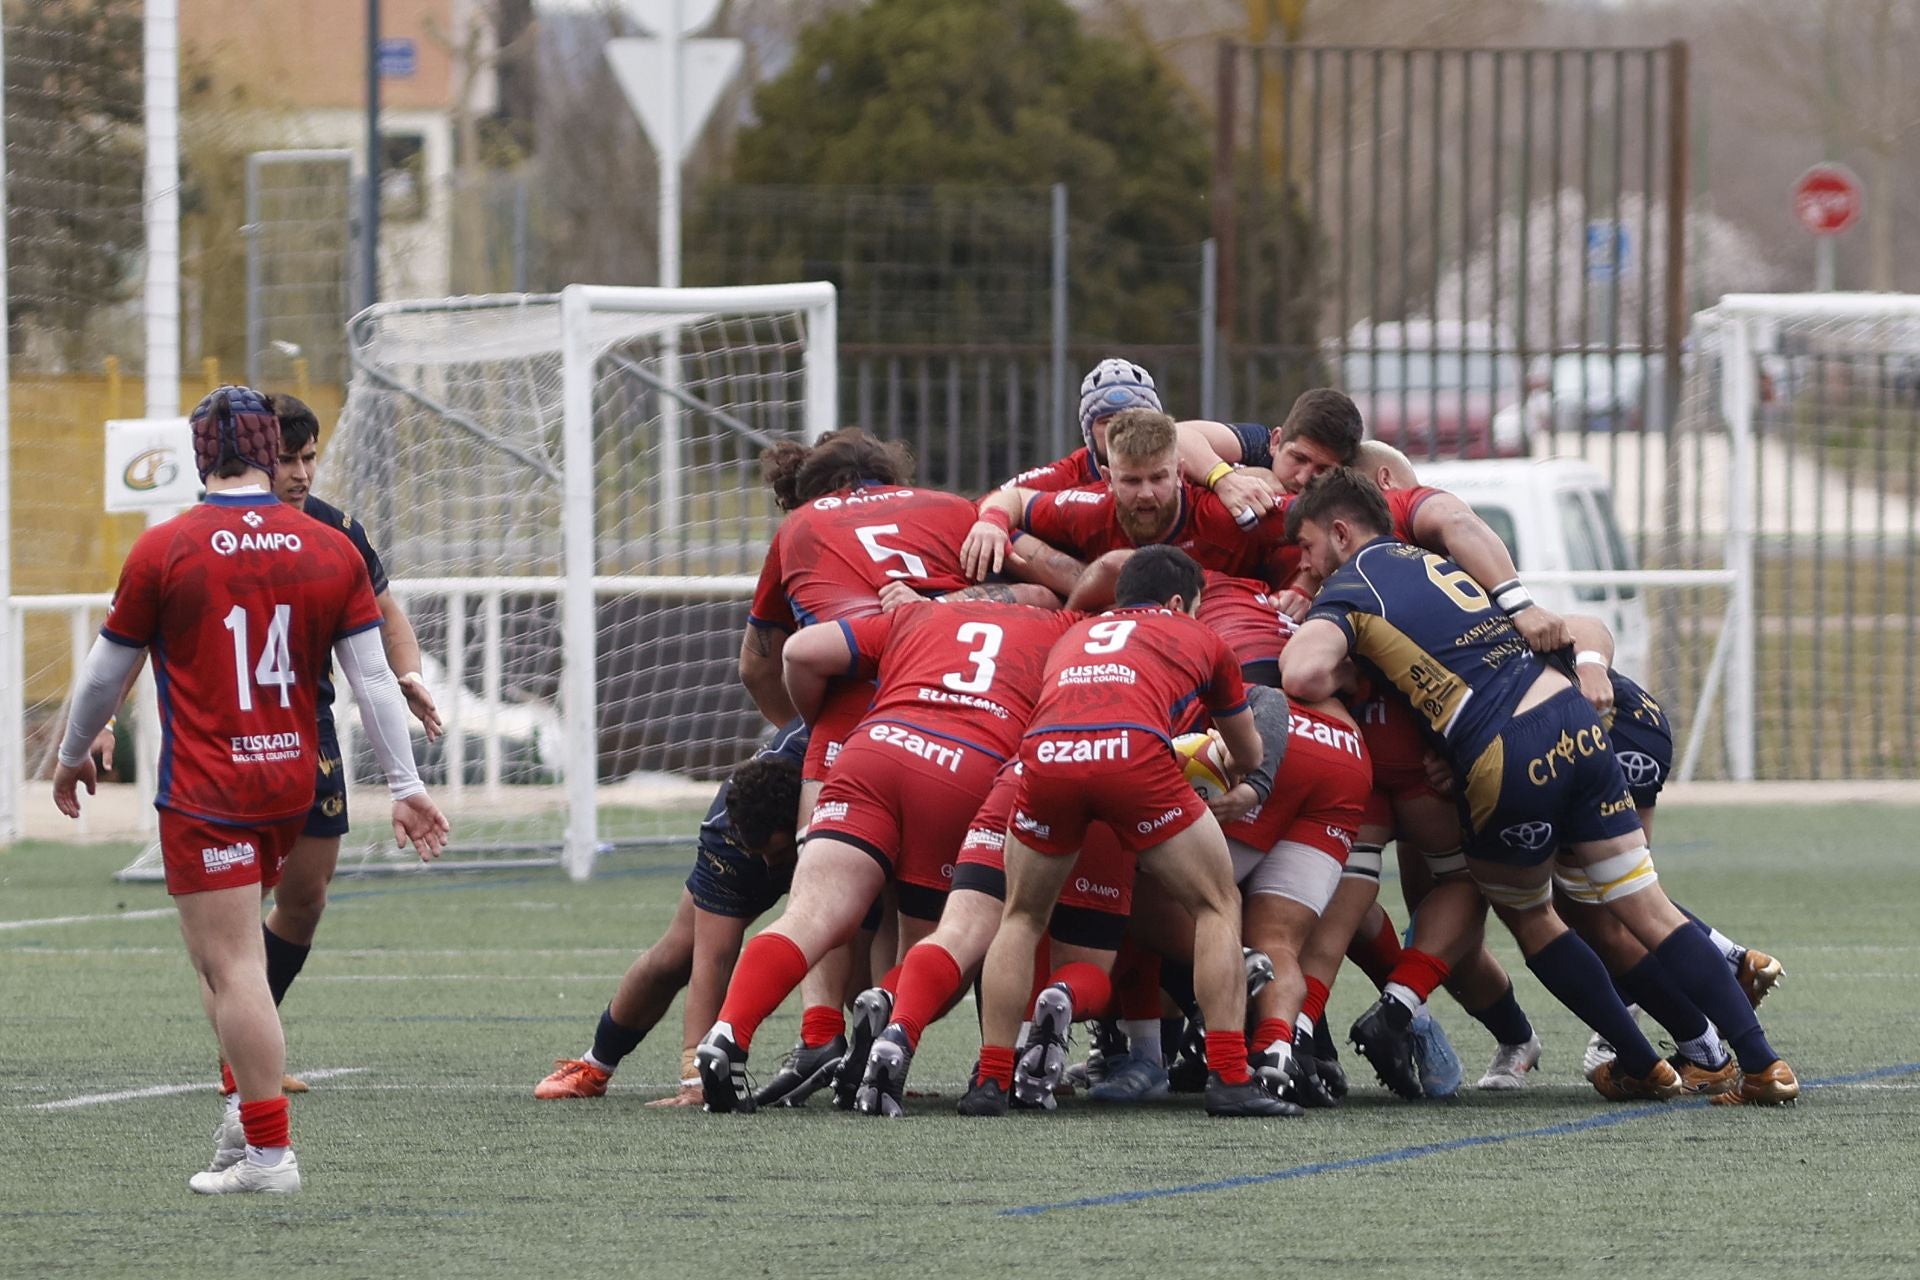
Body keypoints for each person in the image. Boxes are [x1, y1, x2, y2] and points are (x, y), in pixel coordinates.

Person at [1281, 469, 1798, 1106]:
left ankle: (1642, 1062)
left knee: (1531, 917)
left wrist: (1335, 647)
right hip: (1577, 723)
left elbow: (1302, 674)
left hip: (1506, 747)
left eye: (1305, 548)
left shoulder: (1353, 586)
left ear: (1339, 532)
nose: (1302, 565)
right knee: (1645, 907)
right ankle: (1761, 1064)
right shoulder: (1437, 559)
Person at [52, 386, 449, 1195]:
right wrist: (404, 785)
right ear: (271, 454)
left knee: (227, 967)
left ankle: (268, 1150)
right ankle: (246, 1129)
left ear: (201, 456)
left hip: (210, 787)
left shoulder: (166, 548)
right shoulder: (326, 545)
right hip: (293, 775)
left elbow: (102, 673)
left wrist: (67, 754)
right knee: (242, 958)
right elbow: (372, 680)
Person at [697, 597, 1081, 1112]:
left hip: (873, 750)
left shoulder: (918, 613)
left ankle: (728, 1033)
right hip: (966, 767)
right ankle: (891, 1021)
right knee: (944, 945)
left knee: (808, 916)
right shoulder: (1061, 625)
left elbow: (802, 651)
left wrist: (814, 720)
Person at [964, 546, 1293, 1118]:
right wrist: (1221, 768)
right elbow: (1249, 749)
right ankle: (1231, 1077)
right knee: (1217, 903)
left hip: (1045, 757)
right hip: (1131, 754)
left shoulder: (1077, 634)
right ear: (1177, 602)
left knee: (1020, 917)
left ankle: (992, 1079)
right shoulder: (1203, 637)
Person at [535, 726, 806, 1103]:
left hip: (838, 824)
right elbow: (713, 961)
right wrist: (695, 1081)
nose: (770, 864)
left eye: (775, 855)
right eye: (760, 853)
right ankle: (596, 1065)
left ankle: (866, 1057)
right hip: (751, 841)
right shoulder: (729, 836)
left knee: (857, 929)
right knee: (678, 955)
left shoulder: (847, 762)